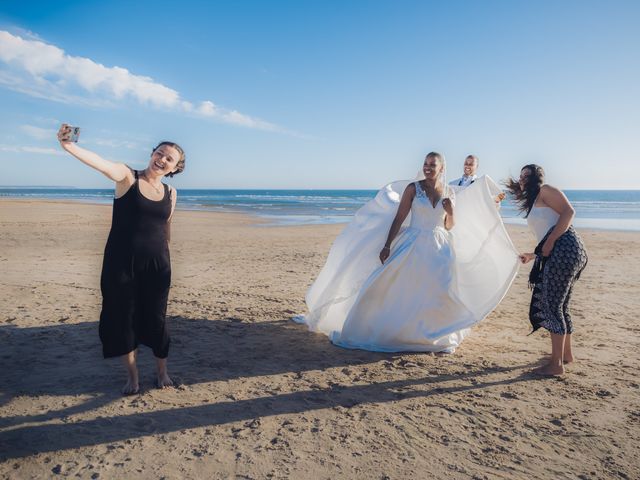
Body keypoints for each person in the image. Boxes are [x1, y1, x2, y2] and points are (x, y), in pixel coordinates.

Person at [297, 152, 519, 353]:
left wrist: (451, 212)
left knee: (438, 290)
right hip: (413, 242)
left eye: (432, 165)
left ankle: (432, 333)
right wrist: (386, 245)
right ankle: (396, 331)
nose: (428, 168)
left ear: (442, 168)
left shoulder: (450, 191)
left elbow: (449, 225)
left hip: (440, 247)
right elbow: (399, 218)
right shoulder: (413, 188)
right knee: (399, 287)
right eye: (425, 164)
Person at [57, 124, 185, 394]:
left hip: (157, 266)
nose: (162, 159)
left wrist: (163, 257)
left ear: (175, 168)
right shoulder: (127, 177)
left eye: (169, 159)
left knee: (156, 319)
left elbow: (166, 228)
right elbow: (103, 164)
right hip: (121, 263)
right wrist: (70, 147)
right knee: (123, 318)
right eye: (159, 153)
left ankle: (162, 372)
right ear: (152, 154)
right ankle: (133, 377)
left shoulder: (172, 194)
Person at [505, 164, 588, 376]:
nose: (523, 179)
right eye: (521, 175)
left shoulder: (546, 190)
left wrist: (551, 241)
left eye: (527, 175)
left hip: (565, 249)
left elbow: (569, 212)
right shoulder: (534, 201)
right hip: (562, 251)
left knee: (551, 306)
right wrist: (533, 255)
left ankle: (555, 365)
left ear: (537, 177)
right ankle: (566, 356)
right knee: (561, 305)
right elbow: (547, 232)